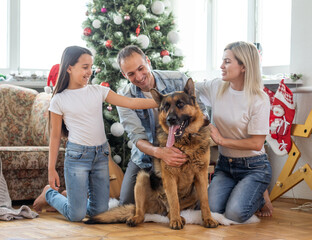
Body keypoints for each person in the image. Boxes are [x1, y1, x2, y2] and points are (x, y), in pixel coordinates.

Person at [32, 46, 157, 222]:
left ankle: (74, 198)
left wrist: (162, 102)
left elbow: (131, 102)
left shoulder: (98, 91)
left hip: (100, 156)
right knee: (77, 215)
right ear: (69, 68)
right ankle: (50, 194)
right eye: (84, 67)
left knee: (99, 213)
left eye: (91, 67)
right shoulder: (59, 100)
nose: (89, 72)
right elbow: (54, 137)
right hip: (77, 158)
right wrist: (51, 169)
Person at [116, 45, 207, 205]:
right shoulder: (123, 98)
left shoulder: (178, 79)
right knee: (127, 204)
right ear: (124, 75)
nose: (138, 77)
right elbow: (137, 137)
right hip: (146, 157)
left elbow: (201, 113)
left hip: (185, 151)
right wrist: (160, 152)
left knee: (197, 203)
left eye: (141, 68)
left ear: (148, 62)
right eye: (131, 74)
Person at [195, 41, 273, 223]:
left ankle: (260, 195)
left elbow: (256, 144)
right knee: (209, 209)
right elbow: (190, 89)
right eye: (222, 61)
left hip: (254, 167)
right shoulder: (216, 86)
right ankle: (244, 191)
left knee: (235, 214)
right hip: (225, 166)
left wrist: (222, 140)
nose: (221, 66)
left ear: (244, 66)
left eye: (227, 62)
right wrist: (205, 118)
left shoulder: (259, 99)